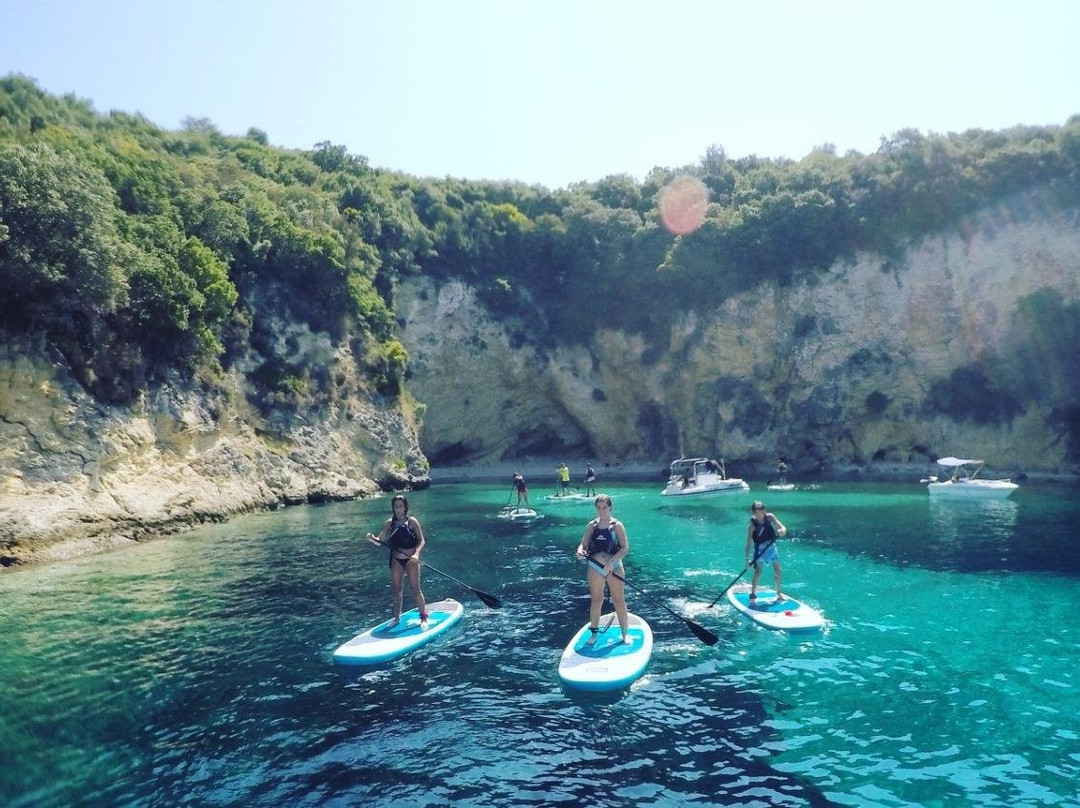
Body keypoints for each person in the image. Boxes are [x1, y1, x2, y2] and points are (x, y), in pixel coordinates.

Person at [575, 494, 631, 644]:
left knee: (618, 600)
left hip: (614, 566)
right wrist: (580, 551)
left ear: (610, 507)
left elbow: (625, 548)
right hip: (595, 566)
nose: (601, 510)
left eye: (604, 507)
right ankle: (594, 634)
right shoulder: (591, 525)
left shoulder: (617, 525)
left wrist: (611, 562)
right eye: (599, 508)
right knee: (596, 600)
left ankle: (625, 633)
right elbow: (583, 544)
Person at [366, 494, 428, 628]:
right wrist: (372, 539)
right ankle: (396, 618)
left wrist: (417, 555)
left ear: (405, 507)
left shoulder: (412, 522)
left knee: (415, 588)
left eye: (400, 506)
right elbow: (380, 541)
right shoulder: (389, 523)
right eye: (396, 507)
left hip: (411, 560)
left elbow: (421, 540)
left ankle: (423, 617)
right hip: (396, 560)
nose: (398, 509)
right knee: (397, 590)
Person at [745, 500, 787, 602]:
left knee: (778, 570)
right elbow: (749, 543)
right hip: (760, 549)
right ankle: (753, 593)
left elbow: (782, 527)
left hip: (772, 546)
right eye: (756, 511)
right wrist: (747, 559)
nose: (758, 513)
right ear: (753, 512)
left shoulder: (770, 517)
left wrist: (782, 531)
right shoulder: (753, 526)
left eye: (760, 510)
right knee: (758, 572)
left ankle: (779, 593)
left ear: (764, 510)